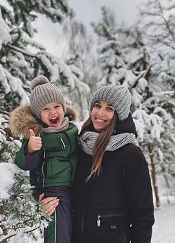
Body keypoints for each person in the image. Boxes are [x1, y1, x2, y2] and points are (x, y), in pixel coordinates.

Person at [40, 85, 155, 243]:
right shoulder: (80, 145)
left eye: (109, 108)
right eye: (97, 105)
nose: (100, 113)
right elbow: (63, 186)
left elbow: (143, 214)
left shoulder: (129, 154)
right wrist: (45, 200)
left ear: (119, 115)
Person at [10, 75, 78, 243]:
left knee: (76, 233)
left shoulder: (72, 130)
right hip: (53, 193)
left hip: (76, 188)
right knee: (58, 235)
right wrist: (30, 149)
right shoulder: (37, 135)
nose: (53, 112)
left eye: (57, 106)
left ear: (63, 107)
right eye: (46, 109)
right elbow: (24, 164)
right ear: (38, 114)